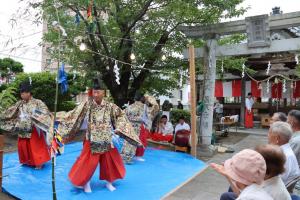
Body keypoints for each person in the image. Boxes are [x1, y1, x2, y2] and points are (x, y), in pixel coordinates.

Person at [56, 78, 141, 193]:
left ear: (104, 93)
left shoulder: (111, 106)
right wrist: (60, 117)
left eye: (98, 92)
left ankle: (109, 182)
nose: (95, 94)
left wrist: (119, 128)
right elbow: (73, 115)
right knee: (87, 164)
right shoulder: (87, 105)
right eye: (94, 92)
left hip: (106, 138)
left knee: (110, 162)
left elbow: (121, 116)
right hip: (91, 139)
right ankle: (86, 183)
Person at [0, 81, 51, 169]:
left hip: (34, 128)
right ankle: (27, 161)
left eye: (23, 93)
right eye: (21, 93)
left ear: (29, 93)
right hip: (22, 126)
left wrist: (34, 115)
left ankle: (39, 163)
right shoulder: (20, 103)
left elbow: (45, 111)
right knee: (23, 145)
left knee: (35, 146)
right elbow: (10, 111)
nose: (22, 95)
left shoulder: (37, 102)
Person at [220, 144, 291, 200]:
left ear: (264, 168)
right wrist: (229, 174)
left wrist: (229, 175)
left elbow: (243, 195)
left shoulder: (268, 191)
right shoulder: (271, 177)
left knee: (226, 195)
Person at [121, 92, 159, 163]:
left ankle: (124, 157)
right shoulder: (143, 107)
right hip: (137, 127)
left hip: (129, 126)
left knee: (127, 142)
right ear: (142, 98)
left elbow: (123, 115)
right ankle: (128, 158)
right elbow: (155, 109)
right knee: (134, 142)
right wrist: (151, 100)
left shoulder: (130, 106)